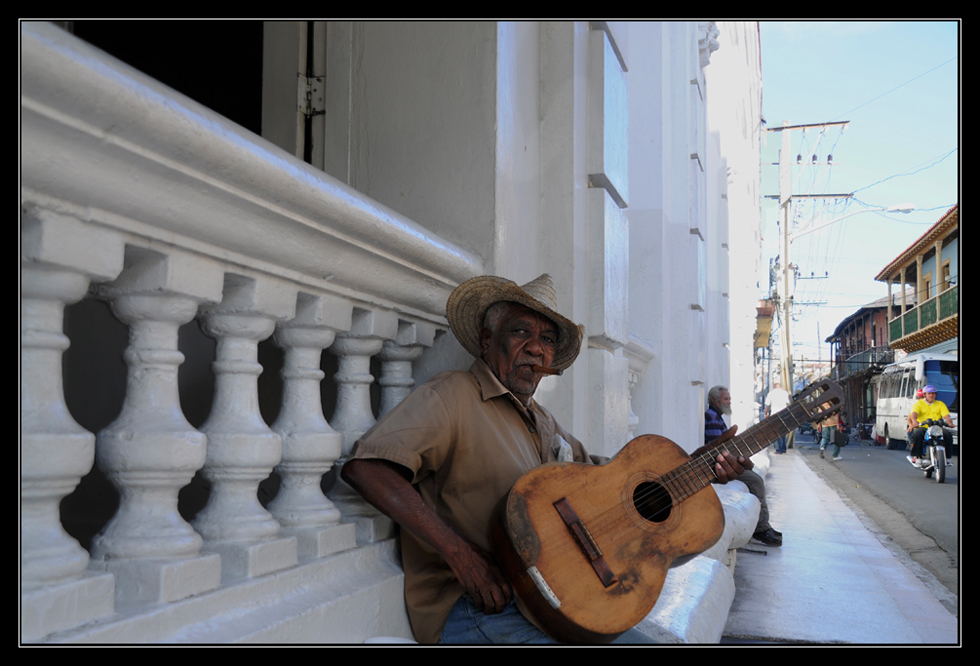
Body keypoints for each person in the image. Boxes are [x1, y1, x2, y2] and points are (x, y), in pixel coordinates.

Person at [341, 274, 753, 644]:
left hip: (555, 605)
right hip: (474, 609)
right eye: (521, 331)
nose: (536, 348)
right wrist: (461, 555)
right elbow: (369, 468)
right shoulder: (453, 395)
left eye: (548, 340)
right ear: (487, 340)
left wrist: (698, 468)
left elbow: (608, 480)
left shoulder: (541, 419)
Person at [705, 386, 781, 547]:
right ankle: (761, 528)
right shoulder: (712, 418)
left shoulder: (717, 417)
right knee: (756, 481)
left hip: (725, 463)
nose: (729, 401)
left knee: (755, 478)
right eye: (726, 399)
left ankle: (761, 525)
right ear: (714, 400)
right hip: (718, 467)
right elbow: (717, 451)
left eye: (729, 399)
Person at [906, 385, 955, 466]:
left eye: (933, 393)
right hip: (923, 428)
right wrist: (914, 422)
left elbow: (946, 416)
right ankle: (918, 456)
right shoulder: (918, 404)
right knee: (917, 433)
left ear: (935, 394)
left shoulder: (940, 404)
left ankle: (948, 458)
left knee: (948, 435)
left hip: (936, 428)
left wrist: (950, 423)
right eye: (929, 393)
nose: (931, 395)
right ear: (925, 394)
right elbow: (914, 414)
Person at [764, 382, 791, 454]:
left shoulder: (771, 393)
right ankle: (784, 448)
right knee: (783, 431)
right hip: (784, 414)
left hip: (775, 414)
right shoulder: (785, 393)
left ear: (774, 387)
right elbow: (787, 402)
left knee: (776, 432)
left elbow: (767, 405)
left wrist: (766, 413)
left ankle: (778, 450)